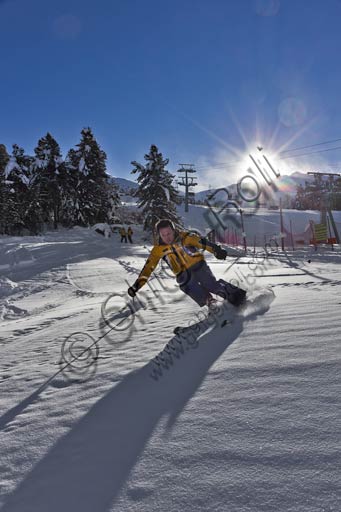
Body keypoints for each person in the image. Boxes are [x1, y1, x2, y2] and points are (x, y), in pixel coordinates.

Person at [127, 219, 246, 308]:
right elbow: (148, 269)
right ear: (159, 235)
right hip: (182, 274)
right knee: (187, 285)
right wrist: (136, 286)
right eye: (163, 235)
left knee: (210, 285)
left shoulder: (186, 237)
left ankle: (238, 297)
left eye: (169, 233)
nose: (167, 237)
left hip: (198, 266)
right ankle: (212, 305)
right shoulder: (157, 250)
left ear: (173, 230)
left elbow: (203, 243)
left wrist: (216, 250)